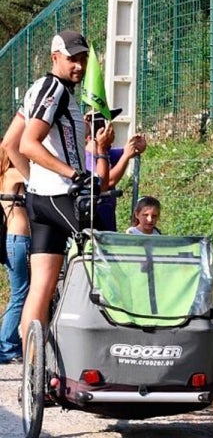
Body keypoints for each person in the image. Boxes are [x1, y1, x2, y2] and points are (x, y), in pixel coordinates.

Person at [17, 29, 100, 344]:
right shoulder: (54, 89)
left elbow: (11, 142)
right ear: (55, 58)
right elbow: (27, 143)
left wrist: (34, 181)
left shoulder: (42, 89)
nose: (78, 66)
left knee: (41, 288)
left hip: (41, 197)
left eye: (82, 59)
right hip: (59, 195)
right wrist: (74, 174)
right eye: (71, 59)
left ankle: (32, 374)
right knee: (107, 256)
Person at [84, 108, 147, 231]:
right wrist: (125, 157)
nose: (110, 129)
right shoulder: (88, 156)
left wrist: (137, 145)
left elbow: (129, 150)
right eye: (102, 123)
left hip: (108, 215)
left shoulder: (108, 153)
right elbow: (107, 181)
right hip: (95, 216)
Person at [0, 147, 29, 364]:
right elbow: (36, 173)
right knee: (19, 293)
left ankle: (9, 343)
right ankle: (7, 346)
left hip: (19, 239)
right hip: (18, 238)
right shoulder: (11, 175)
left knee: (22, 292)